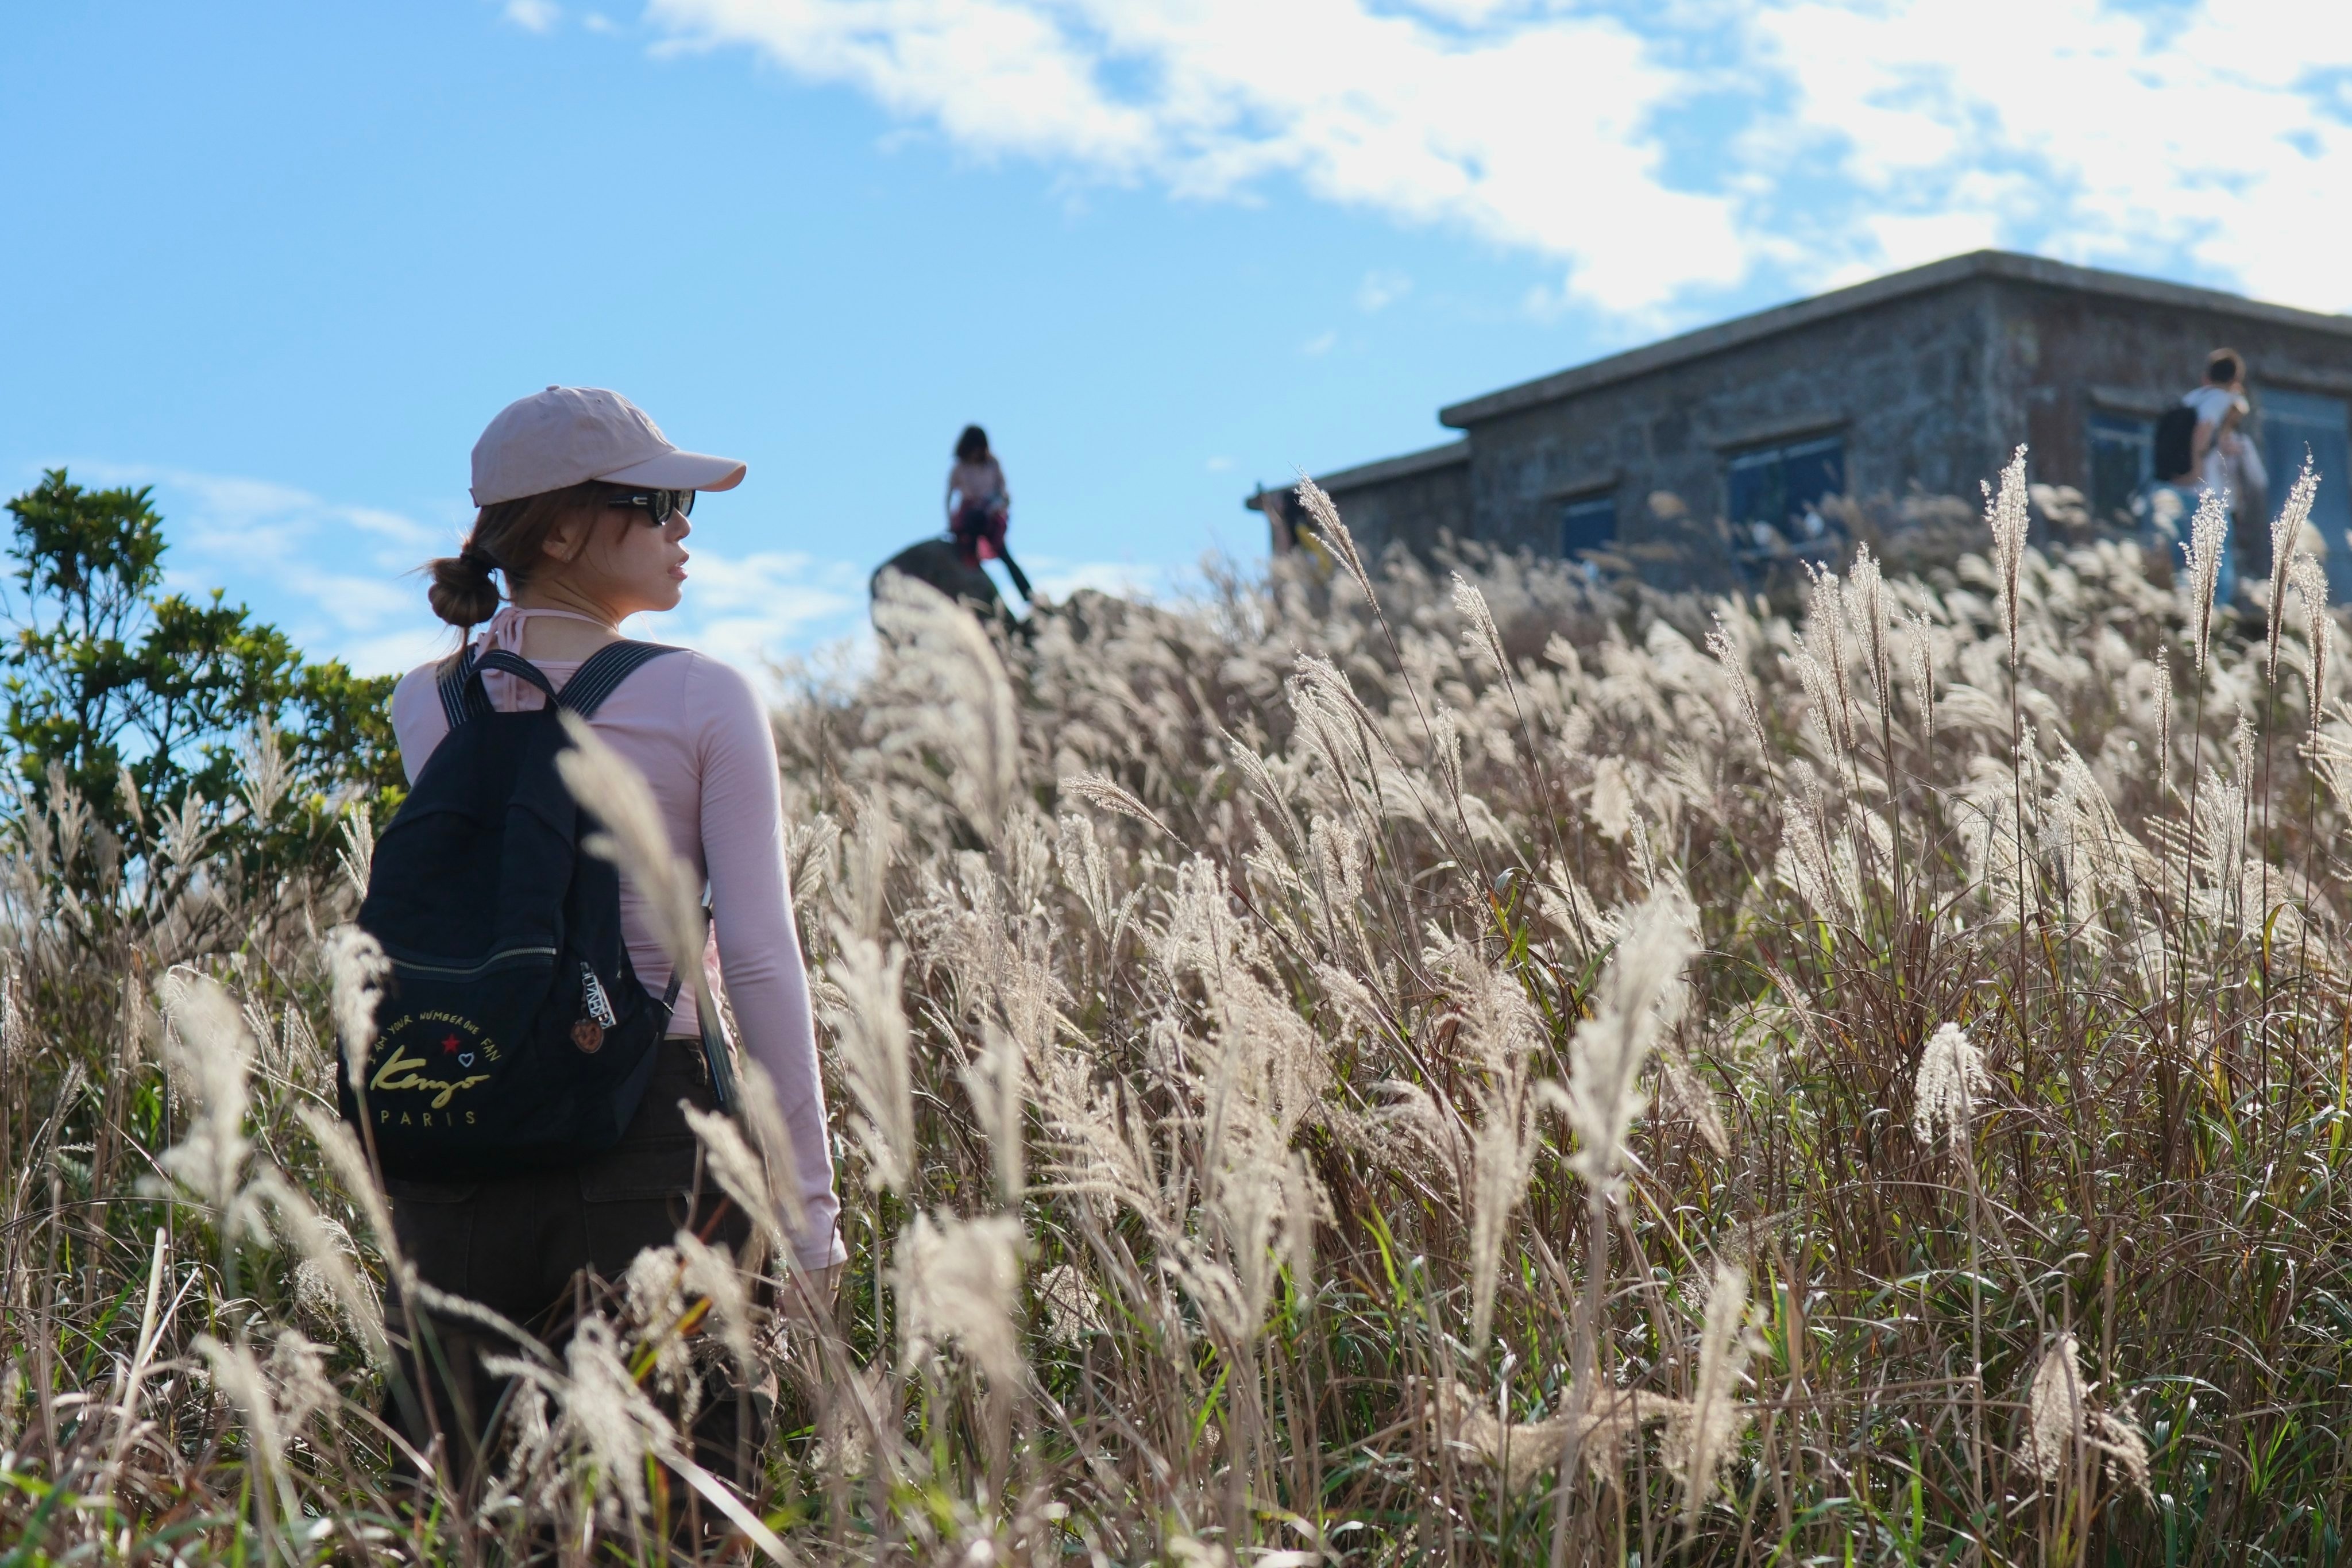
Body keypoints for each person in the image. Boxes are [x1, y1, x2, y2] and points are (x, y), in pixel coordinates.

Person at [386, 385, 843, 1489]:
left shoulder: (425, 703)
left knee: (488, 1513)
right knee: (677, 1512)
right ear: (558, 529)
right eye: (655, 504)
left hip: (454, 1153)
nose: (684, 530)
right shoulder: (704, 698)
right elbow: (762, 959)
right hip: (652, 1147)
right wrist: (813, 1214)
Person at [946, 423, 1011, 570]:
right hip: (969, 518)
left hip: (992, 517)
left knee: (1004, 554)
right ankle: (972, 561)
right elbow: (949, 496)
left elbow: (1004, 492)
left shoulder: (992, 463)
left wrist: (996, 507)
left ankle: (1028, 592)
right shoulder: (960, 467)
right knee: (972, 523)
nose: (976, 453)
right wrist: (949, 521)